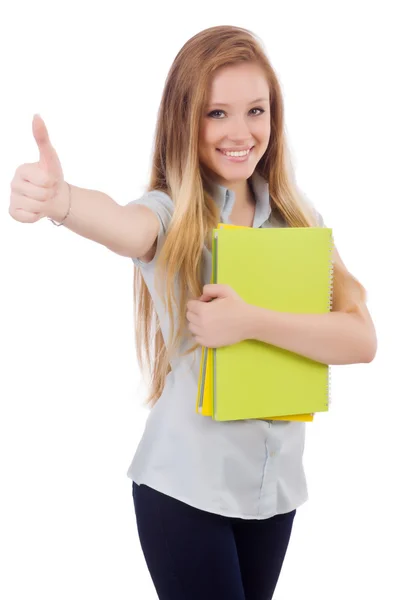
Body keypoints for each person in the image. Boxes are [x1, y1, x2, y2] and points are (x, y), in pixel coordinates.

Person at [9, 24, 377, 600]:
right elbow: (124, 225)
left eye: (255, 110)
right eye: (216, 114)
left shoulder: (297, 221)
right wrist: (63, 202)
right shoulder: (172, 213)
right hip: (184, 491)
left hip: (273, 494)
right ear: (186, 120)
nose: (240, 132)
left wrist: (251, 322)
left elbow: (361, 340)